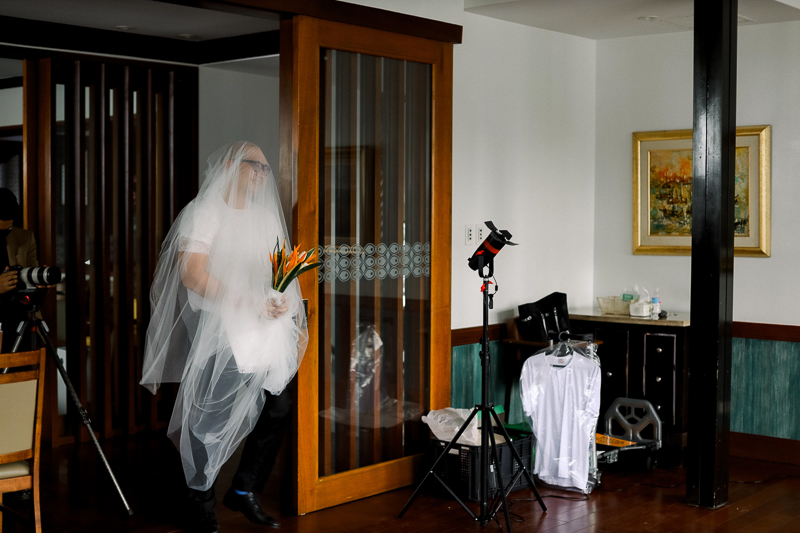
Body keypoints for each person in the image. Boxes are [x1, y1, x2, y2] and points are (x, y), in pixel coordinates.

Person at [141, 142, 308, 533]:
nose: (262, 175)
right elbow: (192, 273)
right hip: (218, 328)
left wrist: (281, 301)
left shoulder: (264, 217)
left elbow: (278, 270)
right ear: (232, 165)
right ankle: (199, 501)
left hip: (261, 326)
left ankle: (244, 489)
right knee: (209, 417)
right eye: (255, 166)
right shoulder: (204, 212)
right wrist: (244, 300)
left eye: (266, 169)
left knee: (279, 406)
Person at [0, 188, 39, 353]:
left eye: (8, 230)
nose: (4, 234)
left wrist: (40, 280)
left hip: (20, 318)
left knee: (26, 366)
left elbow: (32, 271)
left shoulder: (25, 237)